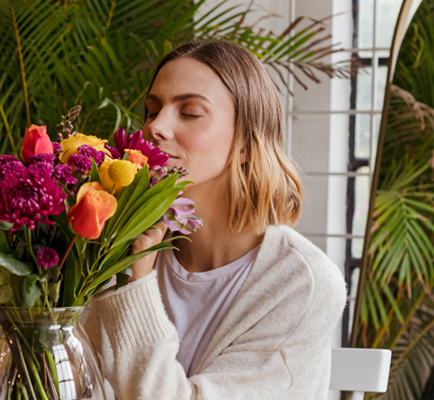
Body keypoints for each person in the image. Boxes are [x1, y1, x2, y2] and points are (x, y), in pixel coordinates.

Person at [84, 41, 348, 399]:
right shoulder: (111, 245)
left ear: (245, 142)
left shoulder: (302, 282)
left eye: (190, 112)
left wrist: (134, 283)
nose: (155, 127)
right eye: (151, 110)